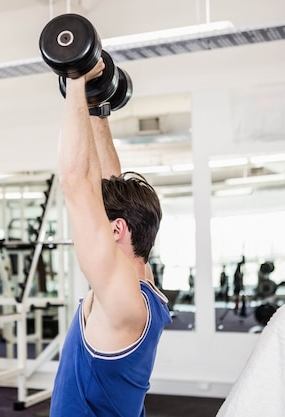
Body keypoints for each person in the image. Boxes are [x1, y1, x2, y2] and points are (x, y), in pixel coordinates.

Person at [49, 58, 171, 416]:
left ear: (116, 229)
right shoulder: (140, 284)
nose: (93, 227)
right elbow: (107, 180)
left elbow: (76, 182)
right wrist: (97, 110)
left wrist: (75, 79)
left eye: (102, 223)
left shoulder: (121, 298)